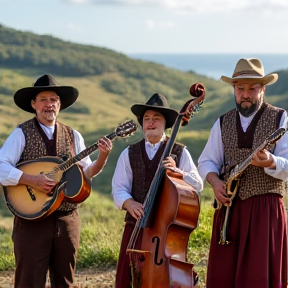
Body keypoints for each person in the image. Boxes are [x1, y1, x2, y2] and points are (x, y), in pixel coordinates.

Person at [0, 74, 113, 288]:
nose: (49, 105)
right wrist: (31, 180)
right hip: (31, 220)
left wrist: (104, 156)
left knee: (65, 281)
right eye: (43, 99)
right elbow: (1, 166)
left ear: (59, 104)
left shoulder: (73, 135)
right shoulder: (20, 133)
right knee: (29, 281)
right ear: (33, 104)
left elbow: (87, 174)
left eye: (53, 99)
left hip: (66, 218)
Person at [198, 58, 288, 288]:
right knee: (224, 277)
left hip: (265, 212)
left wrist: (269, 161)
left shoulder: (281, 119)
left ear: (263, 89)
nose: (245, 94)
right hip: (229, 212)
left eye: (252, 88)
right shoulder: (222, 123)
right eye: (240, 88)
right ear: (234, 90)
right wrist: (215, 182)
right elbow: (207, 161)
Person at [111, 92, 203, 288]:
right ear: (142, 124)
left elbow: (197, 184)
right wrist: (130, 203)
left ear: (166, 124)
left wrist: (178, 172)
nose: (151, 123)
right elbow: (119, 189)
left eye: (156, 119)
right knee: (129, 279)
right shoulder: (129, 153)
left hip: (166, 232)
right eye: (147, 119)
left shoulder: (179, 152)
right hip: (136, 228)